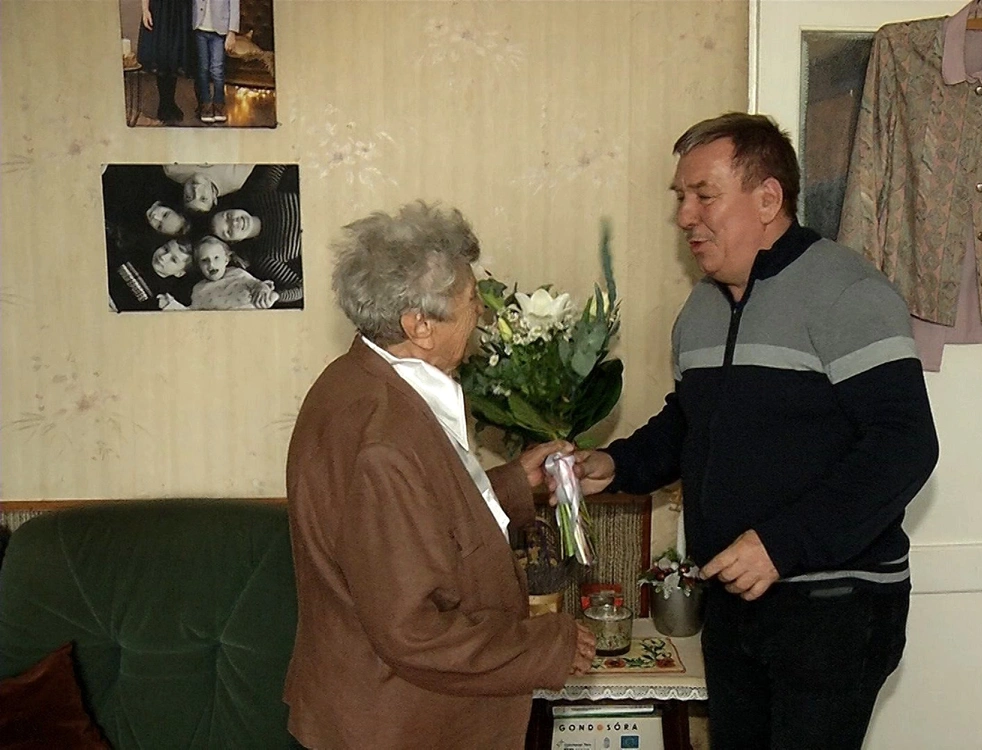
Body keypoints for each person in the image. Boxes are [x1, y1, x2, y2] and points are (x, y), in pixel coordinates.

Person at [575, 113, 939, 749]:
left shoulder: (849, 292)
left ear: (768, 199)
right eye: (681, 198)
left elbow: (904, 444)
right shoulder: (702, 306)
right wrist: (617, 464)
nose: (685, 216)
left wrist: (781, 545)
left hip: (833, 606)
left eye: (704, 195)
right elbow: (691, 422)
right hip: (733, 600)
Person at [284, 201, 595, 749]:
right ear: (420, 325)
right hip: (399, 725)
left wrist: (510, 486)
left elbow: (413, 522)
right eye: (472, 302)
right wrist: (546, 646)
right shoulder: (383, 438)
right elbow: (414, 631)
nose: (483, 316)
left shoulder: (360, 381)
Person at [158, 236, 276, 310]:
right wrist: (171, 305)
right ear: (199, 266)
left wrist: (263, 289)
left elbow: (259, 286)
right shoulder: (199, 290)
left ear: (226, 259)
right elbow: (192, 316)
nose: (211, 264)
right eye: (204, 260)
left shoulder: (238, 274)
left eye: (216, 258)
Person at [137, 0, 194, 123]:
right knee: (162, 55)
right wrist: (145, 10)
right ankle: (164, 104)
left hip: (179, 9)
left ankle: (170, 102)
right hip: (160, 9)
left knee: (174, 56)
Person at [191, 0, 239, 123]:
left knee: (217, 69)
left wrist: (232, 32)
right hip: (199, 28)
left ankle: (219, 105)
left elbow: (234, 6)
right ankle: (205, 105)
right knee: (203, 69)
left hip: (219, 31)